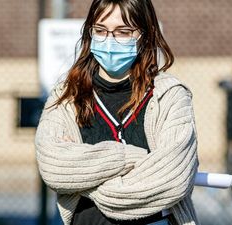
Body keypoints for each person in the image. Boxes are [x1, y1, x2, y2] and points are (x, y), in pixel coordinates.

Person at [35, 0, 199, 224]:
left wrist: (90, 180)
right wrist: (132, 159)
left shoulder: (169, 96)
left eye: (123, 32)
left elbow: (173, 177)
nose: (109, 40)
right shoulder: (66, 96)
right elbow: (54, 166)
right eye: (100, 31)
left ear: (145, 34)